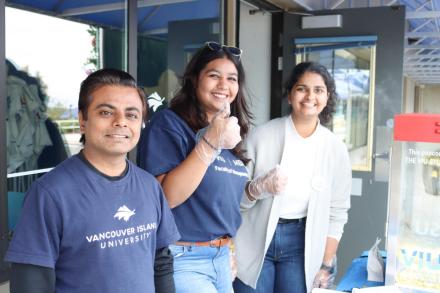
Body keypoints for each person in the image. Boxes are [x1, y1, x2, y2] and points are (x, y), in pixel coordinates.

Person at [4, 68, 180, 293]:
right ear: (83, 120)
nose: (120, 122)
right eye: (106, 112)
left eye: (132, 114)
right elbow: (31, 285)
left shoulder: (149, 186)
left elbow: (161, 263)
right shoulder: (49, 193)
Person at [137, 41, 252, 293]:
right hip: (184, 256)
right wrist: (210, 143)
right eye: (214, 76)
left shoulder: (229, 131)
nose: (224, 85)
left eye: (232, 78)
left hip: (221, 257)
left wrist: (227, 246)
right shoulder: (169, 124)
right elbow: (165, 197)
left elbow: (219, 198)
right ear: (194, 79)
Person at [233, 61, 352, 293]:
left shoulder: (335, 148)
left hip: (302, 243)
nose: (309, 96)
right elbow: (235, 200)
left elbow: (337, 212)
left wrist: (327, 263)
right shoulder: (261, 136)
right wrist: (257, 188)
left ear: (327, 97)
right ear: (290, 95)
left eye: (318, 90)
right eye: (301, 88)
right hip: (253, 238)